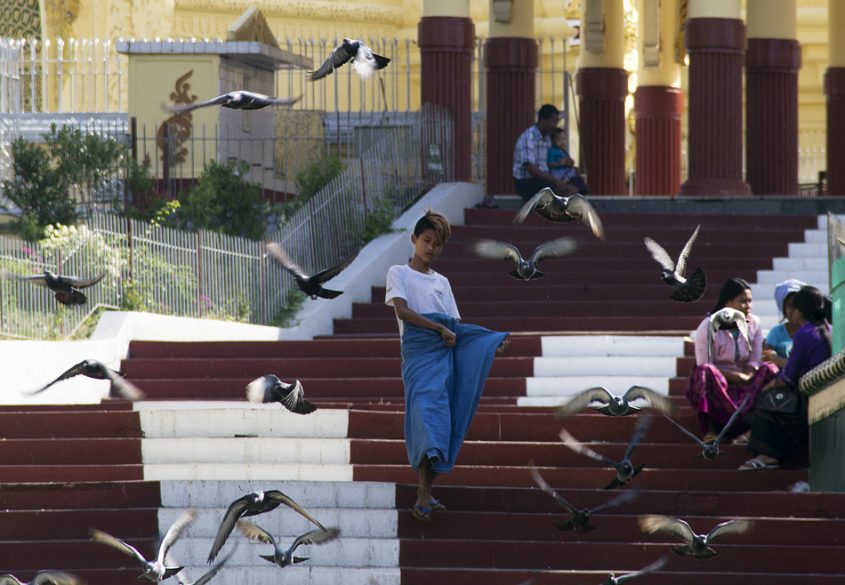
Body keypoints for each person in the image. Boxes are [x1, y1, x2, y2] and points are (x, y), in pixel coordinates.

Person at [385, 210, 509, 522]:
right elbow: (402, 312)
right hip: (418, 354)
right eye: (426, 241)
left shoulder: (443, 282)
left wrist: (490, 343)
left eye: (437, 244)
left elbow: (456, 326)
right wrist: (437, 329)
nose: (431, 248)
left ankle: (424, 495)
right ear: (414, 239)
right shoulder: (398, 273)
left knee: (440, 421)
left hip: (443, 356)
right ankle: (424, 494)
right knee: (425, 416)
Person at [740, 285, 832, 470]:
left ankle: (767, 454)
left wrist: (770, 386)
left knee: (765, 399)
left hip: (806, 398)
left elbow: (788, 377)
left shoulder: (804, 333)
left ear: (799, 311)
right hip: (823, 392)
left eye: (793, 308)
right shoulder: (828, 328)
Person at [685, 277, 779, 441]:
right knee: (704, 372)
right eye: (743, 301)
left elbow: (755, 359)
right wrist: (737, 377)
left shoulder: (754, 323)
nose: (748, 306)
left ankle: (755, 425)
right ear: (728, 303)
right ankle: (710, 430)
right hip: (718, 383)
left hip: (746, 381)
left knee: (771, 369)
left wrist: (748, 375)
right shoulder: (707, 326)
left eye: (750, 301)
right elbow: (704, 364)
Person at [510, 104, 573, 203]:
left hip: (545, 178)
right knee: (552, 189)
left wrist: (566, 164)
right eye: (553, 122)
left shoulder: (548, 139)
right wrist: (556, 181)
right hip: (527, 181)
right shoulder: (528, 138)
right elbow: (532, 170)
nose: (555, 126)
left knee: (577, 183)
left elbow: (550, 162)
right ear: (543, 120)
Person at [762, 279, 807, 368]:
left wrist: (776, 358)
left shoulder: (811, 332)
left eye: (797, 304)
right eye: (790, 305)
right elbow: (766, 359)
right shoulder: (776, 332)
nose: (795, 310)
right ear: (783, 308)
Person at [547, 127, 588, 195]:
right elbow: (550, 163)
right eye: (559, 140)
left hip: (565, 171)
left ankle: (576, 187)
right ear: (553, 141)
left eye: (564, 139)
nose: (562, 142)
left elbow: (569, 162)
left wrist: (570, 162)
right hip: (557, 172)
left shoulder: (564, 152)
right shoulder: (552, 151)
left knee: (576, 171)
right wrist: (560, 163)